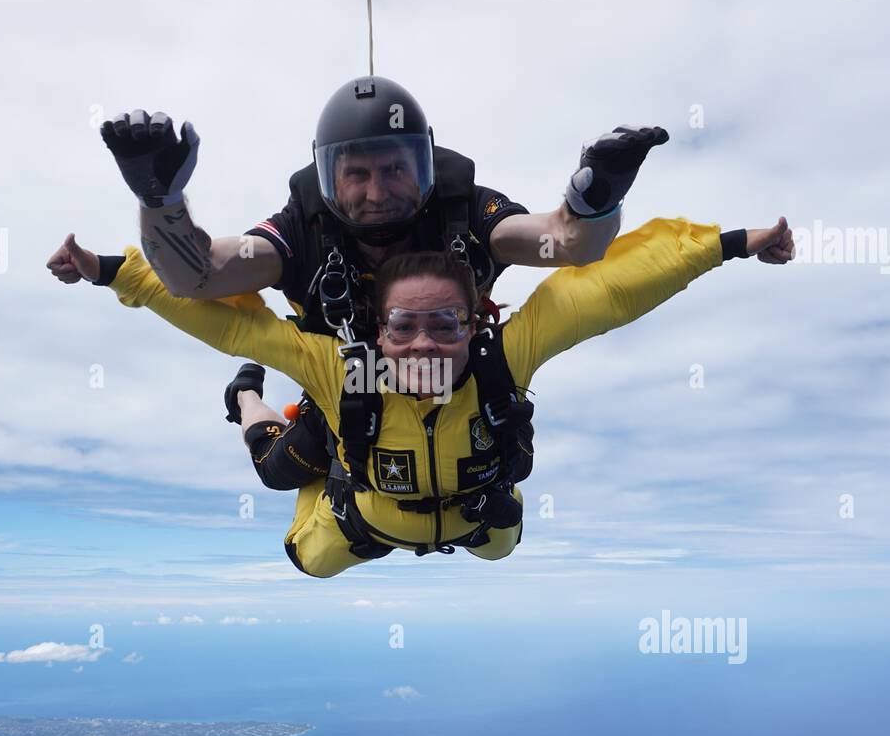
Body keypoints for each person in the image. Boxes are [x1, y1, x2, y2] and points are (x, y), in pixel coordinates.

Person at [52, 214, 795, 578]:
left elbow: (606, 293)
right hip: (360, 519)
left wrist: (727, 243)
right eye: (404, 326)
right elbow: (224, 324)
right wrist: (113, 270)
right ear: (379, 327)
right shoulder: (345, 371)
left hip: (474, 520)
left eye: (446, 323)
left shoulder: (503, 360)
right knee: (284, 494)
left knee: (503, 543)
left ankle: (296, 433)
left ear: (477, 322)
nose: (425, 344)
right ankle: (247, 407)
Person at [49, 76, 670, 494]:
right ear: (327, 179)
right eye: (358, 174)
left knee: (496, 476)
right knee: (282, 470)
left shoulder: (466, 214)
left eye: (397, 168)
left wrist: (595, 197)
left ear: (426, 164)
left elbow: (565, 244)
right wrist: (160, 200)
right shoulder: (302, 231)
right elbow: (201, 274)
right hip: (348, 382)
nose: (378, 193)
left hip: (454, 379)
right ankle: (245, 398)